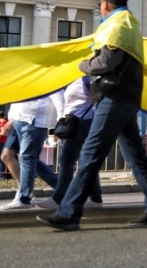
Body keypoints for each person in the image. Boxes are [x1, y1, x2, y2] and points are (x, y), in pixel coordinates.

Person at [37, 0, 147, 231]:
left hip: (114, 98)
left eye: (100, 6)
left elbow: (107, 61)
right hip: (125, 98)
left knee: (90, 154)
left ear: (105, 5)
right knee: (136, 157)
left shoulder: (116, 26)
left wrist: (83, 65)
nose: (100, 10)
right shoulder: (128, 24)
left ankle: (68, 213)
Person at [34, 77, 103, 210]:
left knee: (66, 159)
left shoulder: (86, 78)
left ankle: (60, 197)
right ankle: (95, 197)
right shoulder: (72, 79)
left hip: (83, 121)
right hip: (76, 121)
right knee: (85, 160)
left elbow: (98, 97)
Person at [0, 96, 62, 210]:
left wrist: (59, 127)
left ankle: (24, 197)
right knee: (8, 155)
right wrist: (13, 117)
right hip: (18, 120)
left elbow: (59, 102)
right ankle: (62, 188)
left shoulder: (49, 81)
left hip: (35, 122)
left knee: (27, 158)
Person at [0, 111, 8, 179]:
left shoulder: (3, 123)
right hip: (0, 142)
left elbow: (4, 133)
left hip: (0, 142)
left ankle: (1, 175)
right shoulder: (3, 123)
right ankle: (1, 175)